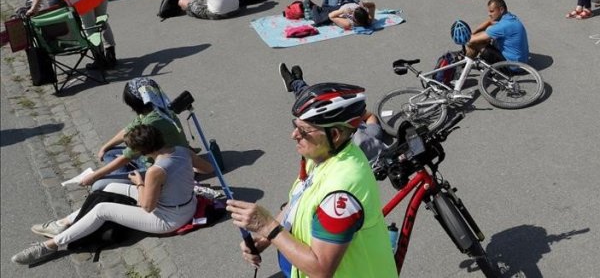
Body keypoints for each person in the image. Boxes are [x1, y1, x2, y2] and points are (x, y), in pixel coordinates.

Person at [226, 80, 398, 278]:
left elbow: (321, 269)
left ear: (334, 134)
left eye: (304, 130)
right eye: (295, 125)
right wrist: (265, 238)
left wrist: (268, 227)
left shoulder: (341, 191)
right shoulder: (320, 155)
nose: (294, 135)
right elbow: (297, 200)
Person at [12, 124, 197, 266]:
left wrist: (140, 182)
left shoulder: (155, 170)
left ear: (143, 151)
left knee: (102, 209)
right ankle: (64, 223)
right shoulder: (182, 150)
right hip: (186, 204)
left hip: (169, 219)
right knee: (110, 187)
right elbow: (207, 167)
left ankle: (51, 245)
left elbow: (147, 207)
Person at [83, 78, 214, 191]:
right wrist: (104, 147)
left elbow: (128, 155)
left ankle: (134, 178)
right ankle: (124, 173)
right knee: (108, 153)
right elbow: (127, 130)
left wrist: (96, 175)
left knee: (99, 185)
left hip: (157, 165)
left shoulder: (152, 121)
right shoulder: (156, 107)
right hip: (151, 154)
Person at [465, 0, 529, 64]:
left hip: (512, 67)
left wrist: (470, 37)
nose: (489, 14)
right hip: (522, 63)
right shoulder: (510, 18)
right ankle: (467, 60)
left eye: (492, 11)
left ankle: (465, 63)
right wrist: (474, 32)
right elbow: (489, 22)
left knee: (475, 43)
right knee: (486, 37)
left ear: (501, 10)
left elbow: (471, 40)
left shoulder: (502, 26)